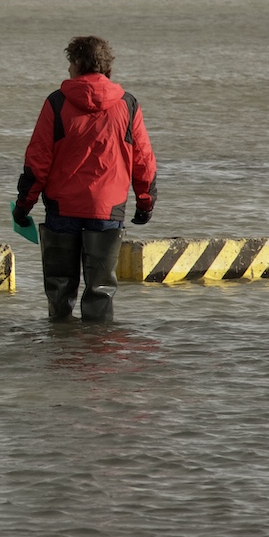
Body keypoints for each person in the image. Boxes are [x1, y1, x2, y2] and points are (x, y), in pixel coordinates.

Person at [11, 35, 157, 322]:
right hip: (107, 209)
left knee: (59, 292)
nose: (67, 71)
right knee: (101, 291)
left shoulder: (56, 103)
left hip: (62, 208)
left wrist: (23, 205)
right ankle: (99, 355)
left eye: (69, 64)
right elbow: (143, 159)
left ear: (78, 64)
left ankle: (60, 352)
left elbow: (38, 160)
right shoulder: (127, 105)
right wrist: (145, 202)